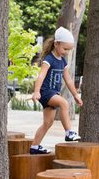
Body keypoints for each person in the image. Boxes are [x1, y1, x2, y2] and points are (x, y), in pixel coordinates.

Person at [30, 26, 83, 155]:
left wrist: (76, 95)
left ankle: (35, 146)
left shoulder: (62, 61)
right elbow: (41, 75)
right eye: (65, 49)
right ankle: (69, 132)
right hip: (46, 92)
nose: (66, 52)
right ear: (56, 44)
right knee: (64, 103)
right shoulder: (49, 59)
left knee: (48, 123)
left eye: (69, 50)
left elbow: (69, 80)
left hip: (53, 94)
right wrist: (36, 91)